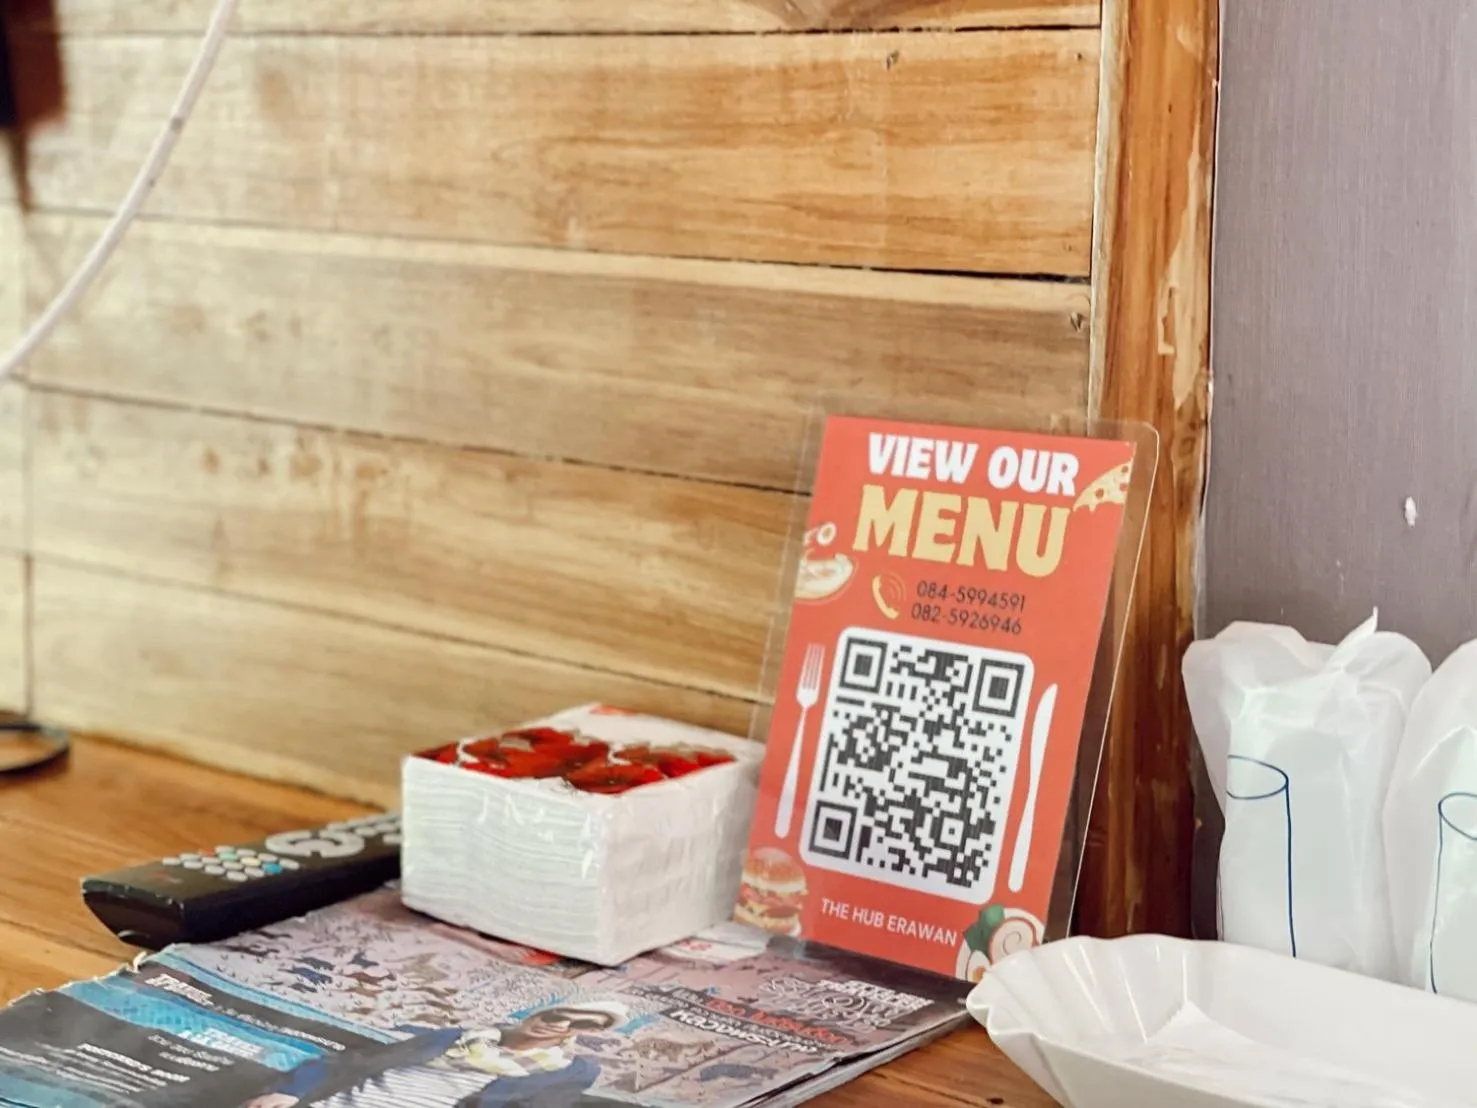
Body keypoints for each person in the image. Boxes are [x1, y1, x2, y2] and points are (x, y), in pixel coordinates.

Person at [242, 1000, 628, 1108]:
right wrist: (290, 1090)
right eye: (556, 1015)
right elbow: (354, 1062)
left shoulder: (571, 1071)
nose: (558, 1026)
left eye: (579, 1025)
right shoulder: (456, 1036)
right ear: (537, 1013)